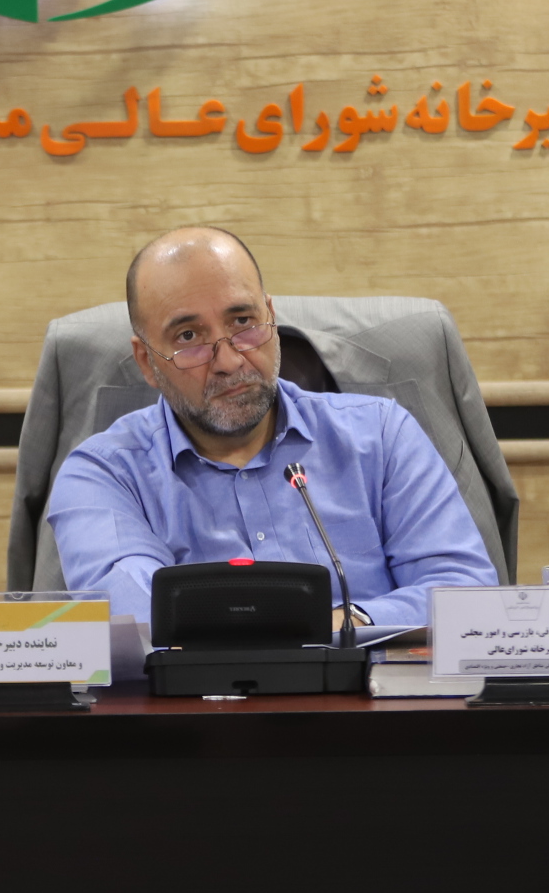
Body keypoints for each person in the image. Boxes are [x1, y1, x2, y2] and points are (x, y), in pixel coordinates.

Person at [45, 226, 497, 627]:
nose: (228, 361)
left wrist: (350, 621)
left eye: (243, 322)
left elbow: (463, 592)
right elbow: (139, 616)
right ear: (146, 361)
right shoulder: (103, 475)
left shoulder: (381, 436)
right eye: (188, 336)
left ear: (272, 319)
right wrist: (306, 629)